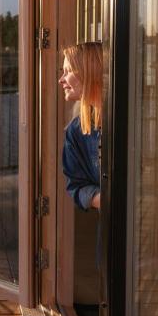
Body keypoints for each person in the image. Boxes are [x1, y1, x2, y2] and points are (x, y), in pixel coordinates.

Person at [59, 42, 103, 210]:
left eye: (68, 71)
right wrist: (101, 199)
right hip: (111, 225)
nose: (61, 79)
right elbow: (76, 185)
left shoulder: (130, 120)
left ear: (91, 71)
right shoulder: (76, 131)